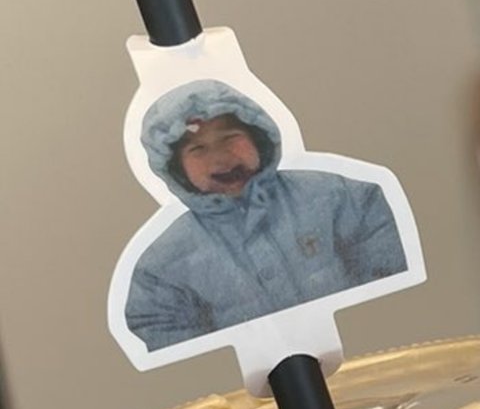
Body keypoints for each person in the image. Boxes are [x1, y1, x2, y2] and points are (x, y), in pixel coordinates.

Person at [125, 80, 407, 351]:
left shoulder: (337, 198)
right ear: (175, 167)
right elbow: (171, 345)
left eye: (230, 138)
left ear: (258, 138)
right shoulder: (162, 265)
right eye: (197, 149)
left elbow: (393, 287)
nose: (220, 157)